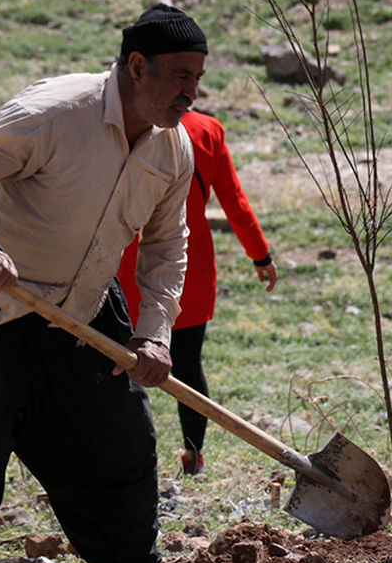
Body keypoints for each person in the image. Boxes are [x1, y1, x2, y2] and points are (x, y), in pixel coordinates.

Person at [0, 3, 208, 563]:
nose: (192, 89)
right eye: (180, 74)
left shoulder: (174, 146)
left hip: (84, 312)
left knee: (124, 446)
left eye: (197, 76)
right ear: (137, 66)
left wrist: (154, 333)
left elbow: (167, 247)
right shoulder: (56, 111)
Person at [117, 111, 278, 476]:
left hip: (124, 260)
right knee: (188, 365)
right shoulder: (207, 130)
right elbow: (233, 199)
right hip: (189, 264)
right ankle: (194, 457)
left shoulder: (127, 122)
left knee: (118, 365)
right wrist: (260, 252)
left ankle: (124, 461)